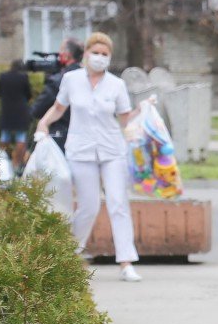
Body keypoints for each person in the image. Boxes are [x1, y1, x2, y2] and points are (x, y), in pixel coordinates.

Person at [35, 31, 142, 282]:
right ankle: (69, 254)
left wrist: (142, 112)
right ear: (86, 54)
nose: (100, 57)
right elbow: (59, 107)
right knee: (88, 205)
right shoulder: (71, 80)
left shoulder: (116, 84)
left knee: (118, 203)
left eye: (105, 54)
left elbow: (124, 118)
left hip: (112, 150)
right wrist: (43, 123)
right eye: (96, 52)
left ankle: (126, 262)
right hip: (81, 150)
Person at [30, 38, 84, 152]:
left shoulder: (59, 80)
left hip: (61, 136)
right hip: (84, 137)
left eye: (61, 51)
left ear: (67, 55)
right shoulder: (88, 78)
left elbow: (37, 110)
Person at [0, 60, 32, 169]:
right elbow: (28, 94)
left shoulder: (3, 76)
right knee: (20, 137)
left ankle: (0, 162)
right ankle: (16, 164)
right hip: (21, 111)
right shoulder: (24, 77)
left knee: (4, 136)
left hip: (6, 110)